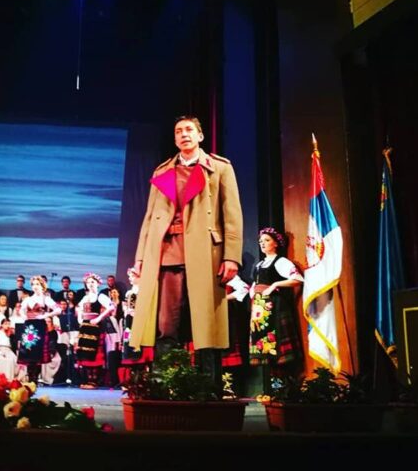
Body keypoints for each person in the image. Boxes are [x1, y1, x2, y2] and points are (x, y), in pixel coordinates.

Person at [129, 115, 243, 392]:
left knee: (206, 323)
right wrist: (140, 259)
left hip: (206, 254)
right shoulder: (162, 171)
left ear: (200, 136)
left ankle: (210, 389)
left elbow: (232, 215)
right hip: (167, 252)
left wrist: (231, 256)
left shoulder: (219, 167)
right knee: (165, 324)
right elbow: (150, 218)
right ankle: (163, 387)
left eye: (189, 129)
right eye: (178, 131)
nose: (184, 134)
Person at [249, 227, 303, 373]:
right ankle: (272, 380)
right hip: (260, 308)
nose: (262, 243)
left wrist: (275, 285)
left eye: (267, 240)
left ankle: (283, 380)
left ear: (276, 243)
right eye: (260, 241)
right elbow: (255, 283)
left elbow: (297, 279)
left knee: (277, 342)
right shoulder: (259, 265)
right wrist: (253, 294)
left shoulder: (281, 262)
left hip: (275, 305)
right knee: (264, 344)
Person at [16, 275, 61, 383]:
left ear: (42, 286)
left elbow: (58, 310)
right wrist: (24, 316)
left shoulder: (46, 298)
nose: (35, 286)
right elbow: (21, 310)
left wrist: (45, 315)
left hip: (40, 326)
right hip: (29, 327)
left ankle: (35, 379)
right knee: (28, 352)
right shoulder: (28, 299)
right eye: (33, 284)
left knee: (37, 354)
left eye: (37, 284)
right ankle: (30, 378)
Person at [76, 273, 114, 389]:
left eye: (92, 282)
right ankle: (86, 379)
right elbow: (79, 308)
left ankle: (94, 380)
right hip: (85, 326)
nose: (90, 284)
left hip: (95, 326)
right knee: (85, 352)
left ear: (98, 283)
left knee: (95, 352)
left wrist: (99, 318)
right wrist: (80, 319)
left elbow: (111, 307)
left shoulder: (100, 296)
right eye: (88, 282)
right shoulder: (85, 297)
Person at [0, 317, 17, 381]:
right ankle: (1, 380)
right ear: (2, 325)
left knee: (10, 360)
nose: (7, 325)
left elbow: (14, 346)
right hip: (0, 351)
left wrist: (12, 335)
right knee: (2, 360)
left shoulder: (10, 334)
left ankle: (9, 380)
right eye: (5, 324)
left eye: (9, 324)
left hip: (9, 351)